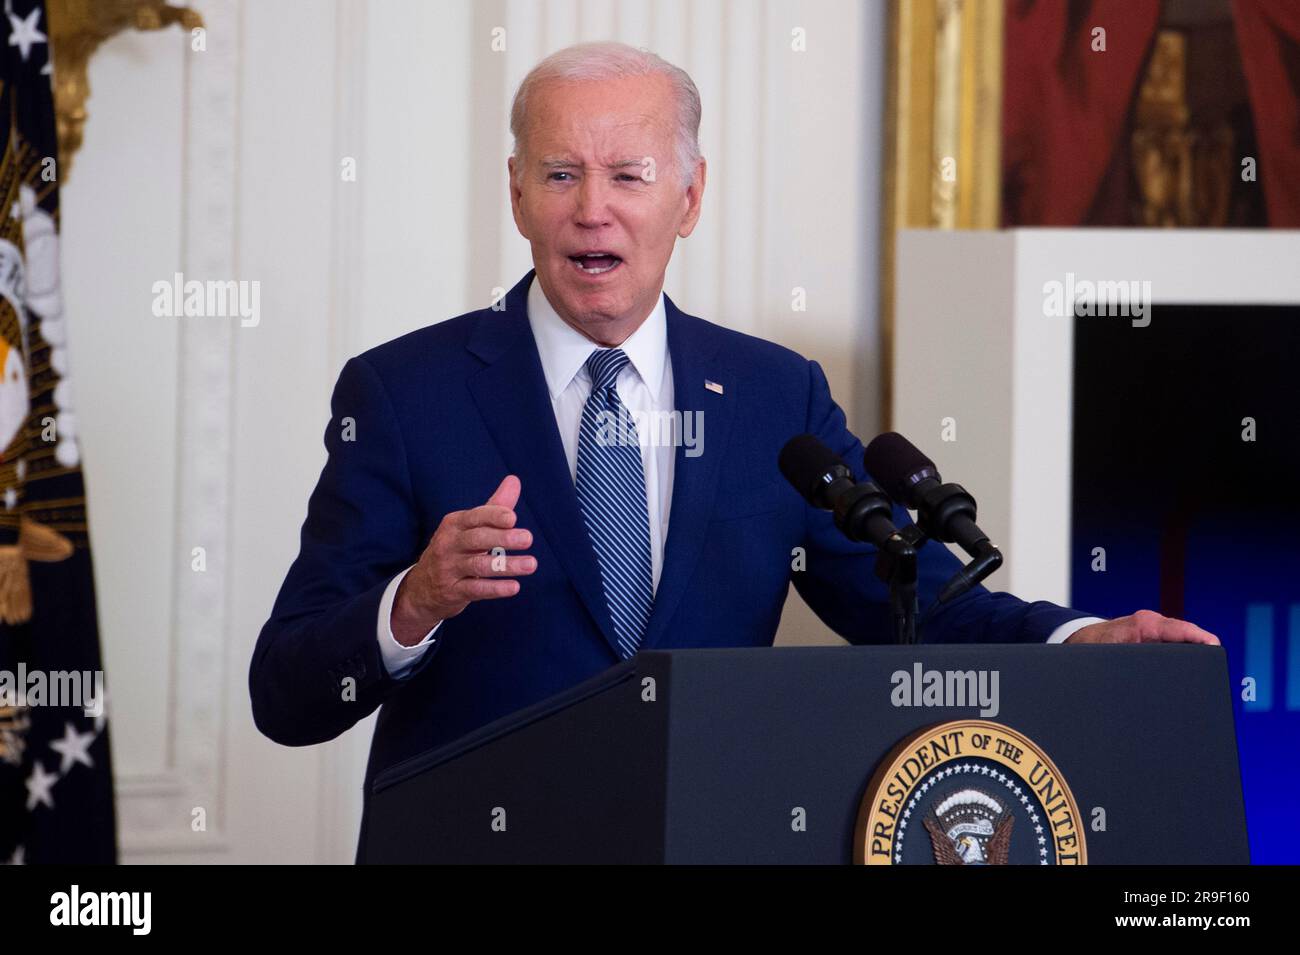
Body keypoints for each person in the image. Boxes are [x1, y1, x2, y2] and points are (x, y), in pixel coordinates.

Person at [249, 41, 1218, 815]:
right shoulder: (404, 392)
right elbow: (285, 694)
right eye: (558, 175)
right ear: (515, 194)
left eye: (627, 175)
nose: (593, 211)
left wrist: (1077, 642)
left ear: (690, 196)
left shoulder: (769, 396)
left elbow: (917, 607)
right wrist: (410, 602)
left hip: (702, 837)